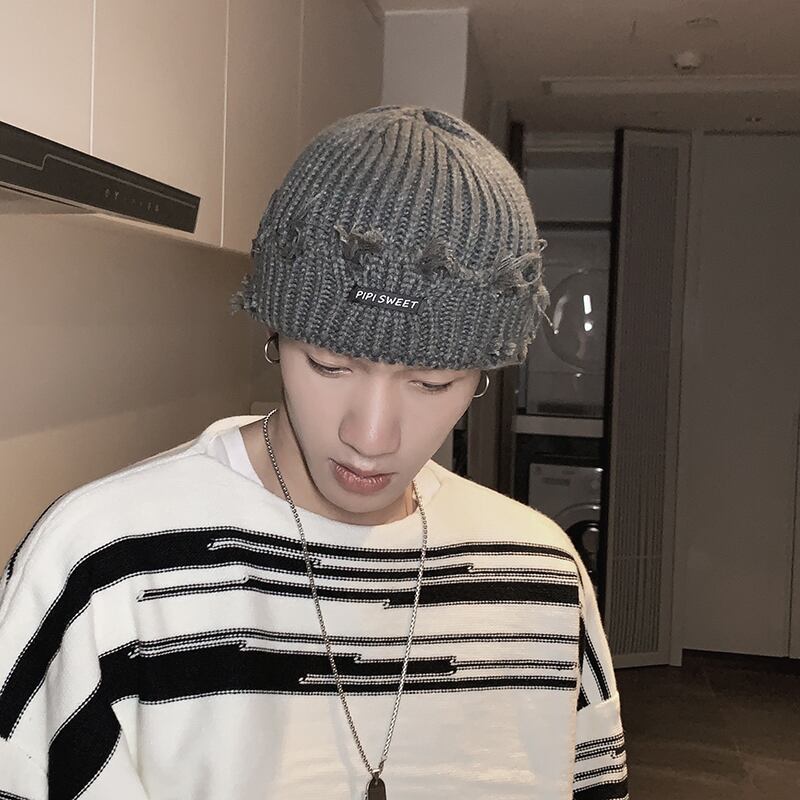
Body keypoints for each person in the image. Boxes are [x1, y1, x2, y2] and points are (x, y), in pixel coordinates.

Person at [0, 106, 628, 799]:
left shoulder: (544, 574)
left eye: (432, 382)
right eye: (329, 364)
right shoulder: (101, 568)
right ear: (275, 335)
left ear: (484, 374)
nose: (372, 437)